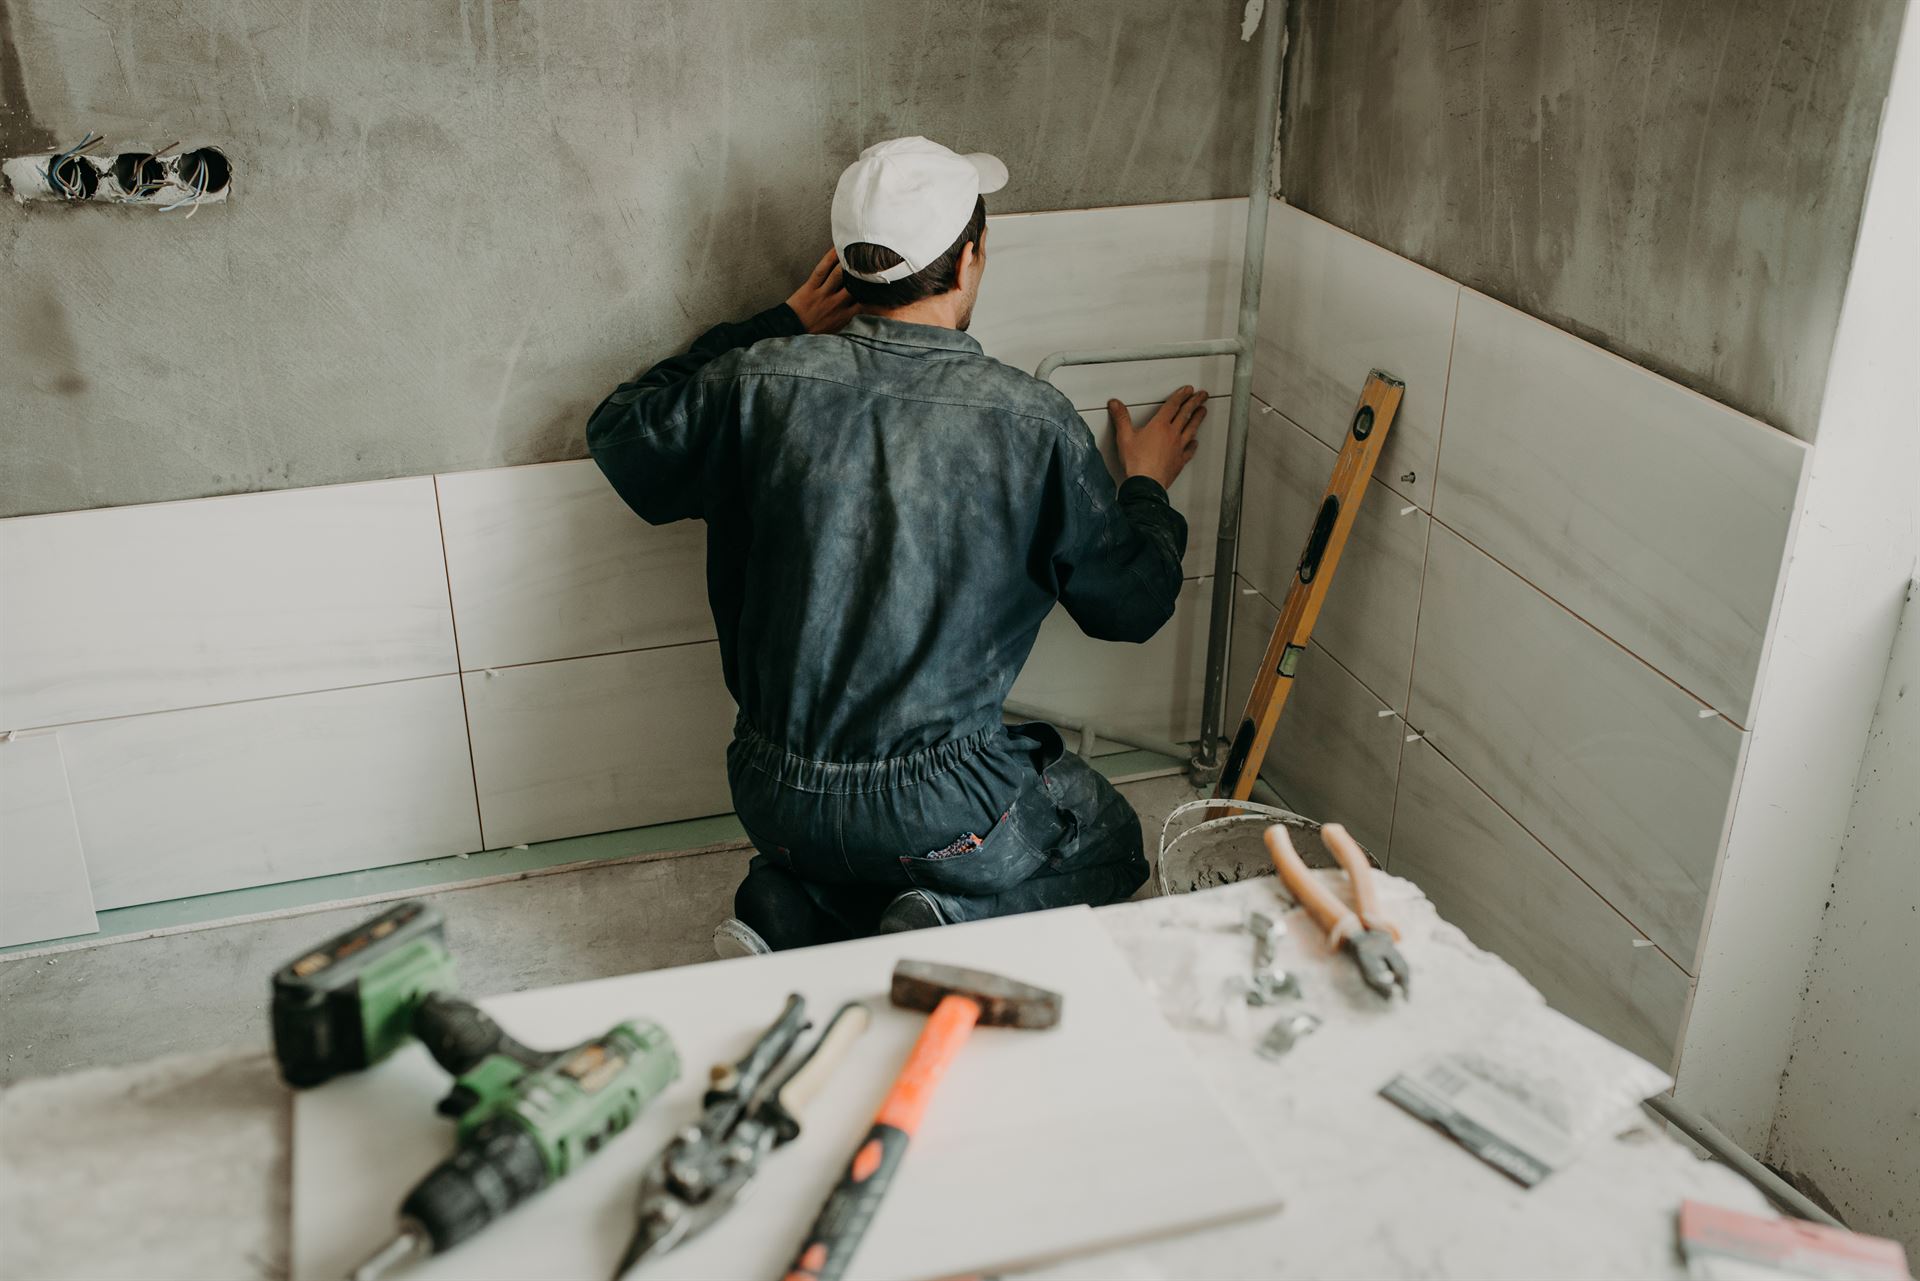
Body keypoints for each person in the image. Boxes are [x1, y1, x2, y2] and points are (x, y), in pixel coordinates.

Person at [586, 137, 1207, 954]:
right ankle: (948, 917)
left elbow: (621, 434)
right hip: (940, 810)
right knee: (1108, 838)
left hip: (773, 792)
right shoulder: (1029, 421)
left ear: (848, 267)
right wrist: (1145, 488)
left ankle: (791, 905)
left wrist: (780, 321)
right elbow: (1133, 605)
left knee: (861, 843)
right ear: (973, 258)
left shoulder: (758, 383)